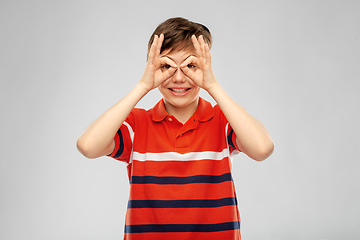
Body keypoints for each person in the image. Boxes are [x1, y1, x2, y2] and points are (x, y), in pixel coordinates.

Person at [77, 17, 274, 240]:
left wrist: (212, 85)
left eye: (191, 66)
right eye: (166, 66)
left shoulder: (223, 120)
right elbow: (87, 146)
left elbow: (262, 148)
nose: (179, 78)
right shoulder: (137, 125)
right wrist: (143, 86)